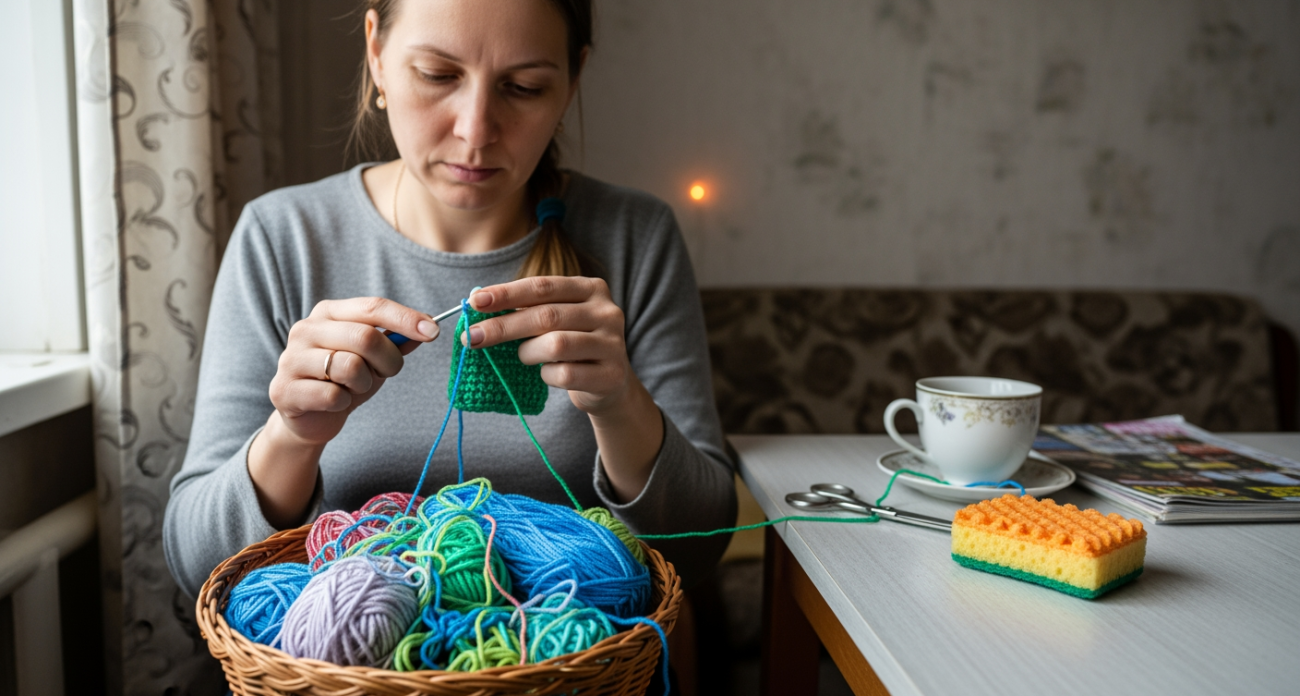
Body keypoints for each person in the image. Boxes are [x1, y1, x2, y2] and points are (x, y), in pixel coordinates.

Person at [162, 0, 737, 600]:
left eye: (524, 86)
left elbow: (700, 548)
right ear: (377, 54)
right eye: (438, 75)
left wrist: (620, 406)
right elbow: (197, 567)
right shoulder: (282, 238)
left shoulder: (635, 237)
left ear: (571, 83)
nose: (475, 129)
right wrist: (292, 437)